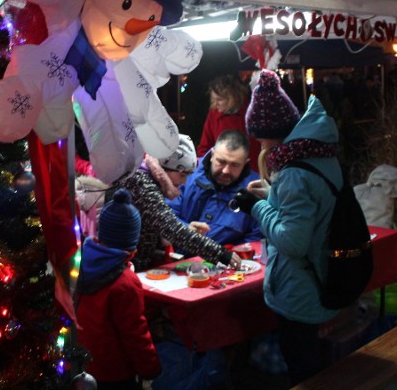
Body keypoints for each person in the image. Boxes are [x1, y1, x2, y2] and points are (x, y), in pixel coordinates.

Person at [231, 69, 341, 385]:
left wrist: (257, 206)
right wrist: (270, 193)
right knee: (312, 363)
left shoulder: (294, 172)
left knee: (303, 370)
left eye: (260, 136)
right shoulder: (317, 156)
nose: (259, 143)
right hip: (316, 276)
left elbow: (293, 241)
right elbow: (309, 207)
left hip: (301, 287)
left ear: (272, 132)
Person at [114, 134, 242, 271]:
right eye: (182, 174)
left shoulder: (148, 179)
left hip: (135, 264)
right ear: (165, 166)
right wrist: (220, 253)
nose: (184, 182)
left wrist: (187, 228)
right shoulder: (142, 184)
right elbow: (171, 228)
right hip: (123, 267)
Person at [76, 189, 161, 389]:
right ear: (133, 246)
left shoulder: (78, 262)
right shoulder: (125, 283)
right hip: (114, 371)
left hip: (82, 361)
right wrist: (151, 367)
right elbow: (134, 333)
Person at [166, 129, 262, 246]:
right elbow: (165, 214)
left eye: (235, 165)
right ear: (212, 155)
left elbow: (256, 237)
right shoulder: (185, 174)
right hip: (177, 256)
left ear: (245, 163)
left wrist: (232, 251)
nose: (226, 171)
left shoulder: (255, 190)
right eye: (221, 161)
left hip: (226, 260)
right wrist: (185, 229)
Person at [196, 74, 261, 172]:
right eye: (214, 99)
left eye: (219, 99)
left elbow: (258, 148)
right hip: (221, 171)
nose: (215, 103)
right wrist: (202, 169)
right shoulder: (214, 113)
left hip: (250, 171)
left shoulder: (251, 113)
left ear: (232, 98)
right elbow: (205, 145)